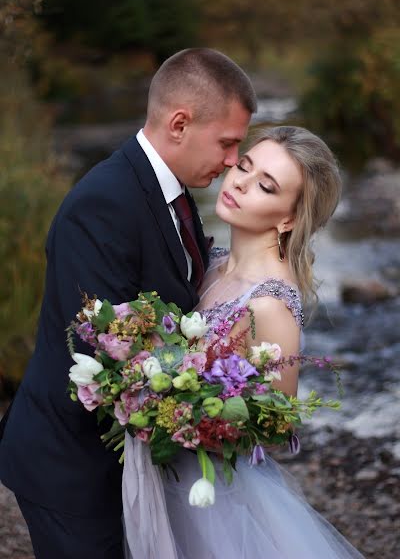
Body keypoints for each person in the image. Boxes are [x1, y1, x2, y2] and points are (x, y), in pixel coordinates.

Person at [0, 48, 256, 559]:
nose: (232, 161)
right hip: (70, 468)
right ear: (179, 123)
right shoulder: (104, 203)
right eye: (227, 144)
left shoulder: (171, 191)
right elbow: (103, 349)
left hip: (122, 460)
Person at [126, 125, 364, 558]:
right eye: (246, 166)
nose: (239, 182)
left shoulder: (268, 304)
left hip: (213, 499)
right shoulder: (212, 261)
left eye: (265, 186)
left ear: (288, 218)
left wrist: (188, 417)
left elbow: (277, 426)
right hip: (165, 473)